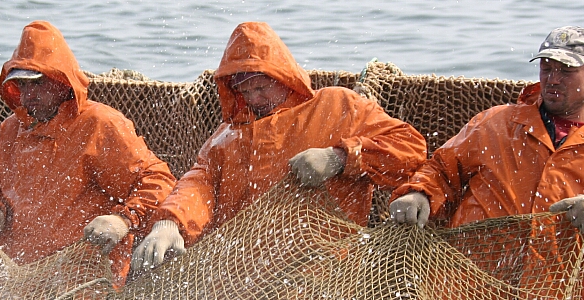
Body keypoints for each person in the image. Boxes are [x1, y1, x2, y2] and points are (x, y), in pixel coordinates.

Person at [131, 22, 428, 271]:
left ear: (283, 76)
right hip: (237, 278)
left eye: (261, 87)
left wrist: (339, 157)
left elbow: (410, 149)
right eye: (245, 91)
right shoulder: (227, 135)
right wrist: (169, 224)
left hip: (323, 276)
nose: (254, 99)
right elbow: (199, 183)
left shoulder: (338, 106)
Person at [389, 26, 584, 300]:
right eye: (546, 67)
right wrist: (418, 193)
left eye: (567, 70)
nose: (553, 79)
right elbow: (441, 169)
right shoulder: (495, 123)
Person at [0, 21, 176, 285]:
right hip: (14, 279)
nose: (28, 94)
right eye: (21, 85)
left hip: (84, 280)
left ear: (61, 81)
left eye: (36, 84)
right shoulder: (11, 128)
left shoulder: (99, 124)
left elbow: (158, 179)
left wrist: (122, 220)